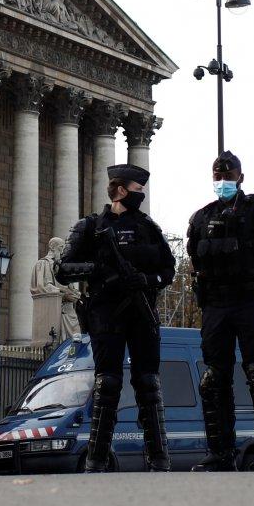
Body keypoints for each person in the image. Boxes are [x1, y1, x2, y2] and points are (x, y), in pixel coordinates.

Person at [56, 164, 176, 472]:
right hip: (106, 313)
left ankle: (158, 457)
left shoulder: (148, 227)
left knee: (148, 382)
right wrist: (99, 270)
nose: (141, 195)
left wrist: (147, 282)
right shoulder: (91, 227)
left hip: (141, 312)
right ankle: (97, 458)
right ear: (121, 190)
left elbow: (168, 269)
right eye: (137, 190)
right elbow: (63, 269)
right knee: (107, 383)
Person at [186, 151, 254, 472]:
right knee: (213, 380)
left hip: (251, 302)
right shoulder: (201, 219)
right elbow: (196, 262)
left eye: (228, 176)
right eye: (217, 177)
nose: (222, 181)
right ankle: (220, 453)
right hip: (216, 306)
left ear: (240, 178)